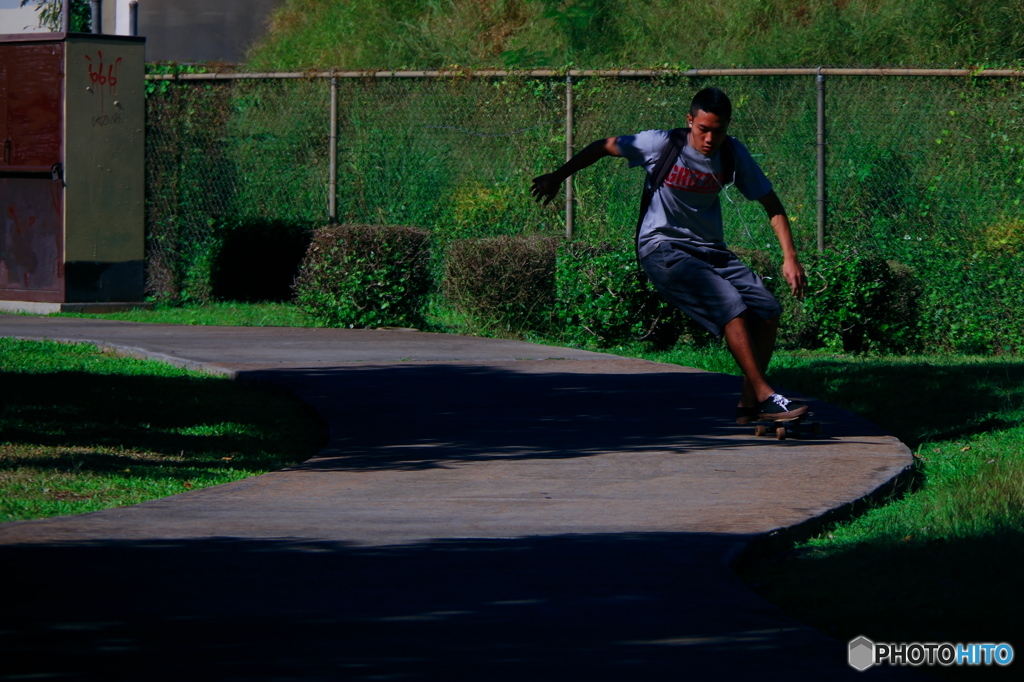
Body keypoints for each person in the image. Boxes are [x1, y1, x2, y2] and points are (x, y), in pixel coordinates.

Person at [531, 87, 809, 423]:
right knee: (730, 304)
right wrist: (557, 177)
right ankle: (767, 394)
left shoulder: (733, 153)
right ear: (690, 121)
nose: (709, 138)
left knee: (767, 310)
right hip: (661, 248)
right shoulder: (661, 144)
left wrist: (790, 256)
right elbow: (604, 146)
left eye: (718, 131)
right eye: (703, 129)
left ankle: (749, 405)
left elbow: (771, 204)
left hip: (709, 250)